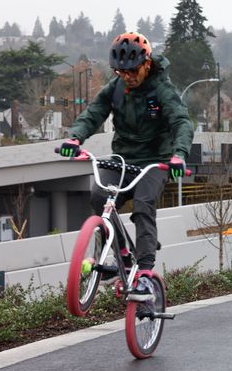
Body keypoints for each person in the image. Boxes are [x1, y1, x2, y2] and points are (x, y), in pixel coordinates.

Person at [59, 32, 193, 301]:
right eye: (121, 71)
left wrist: (178, 155)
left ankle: (144, 275)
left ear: (146, 63)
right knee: (99, 196)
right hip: (123, 159)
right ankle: (120, 254)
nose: (128, 76)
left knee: (144, 205)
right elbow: (93, 113)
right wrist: (75, 137)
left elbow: (182, 123)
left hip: (155, 162)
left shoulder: (162, 90)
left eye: (132, 71)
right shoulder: (116, 87)